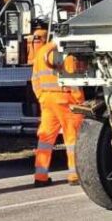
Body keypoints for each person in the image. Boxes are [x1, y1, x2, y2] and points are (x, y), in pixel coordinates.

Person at [30, 31, 84, 187]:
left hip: (47, 100)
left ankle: (40, 176)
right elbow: (73, 80)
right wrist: (79, 102)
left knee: (45, 139)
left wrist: (41, 96)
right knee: (72, 139)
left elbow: (35, 79)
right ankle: (74, 175)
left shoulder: (41, 52)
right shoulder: (66, 52)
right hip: (66, 100)